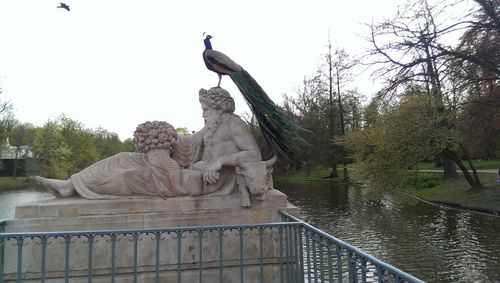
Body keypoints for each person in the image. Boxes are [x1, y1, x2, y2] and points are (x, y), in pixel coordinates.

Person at [36, 87, 264, 199]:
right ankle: (71, 184)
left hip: (202, 180)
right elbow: (188, 145)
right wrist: (165, 140)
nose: (203, 114)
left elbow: (252, 156)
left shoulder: (235, 124)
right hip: (192, 170)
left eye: (206, 109)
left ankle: (76, 188)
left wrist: (220, 162)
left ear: (219, 108)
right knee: (123, 158)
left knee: (129, 176)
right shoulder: (211, 128)